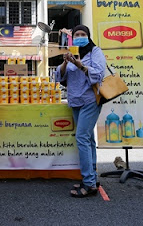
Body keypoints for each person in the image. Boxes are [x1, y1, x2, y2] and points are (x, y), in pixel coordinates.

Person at [55, 25, 106, 198]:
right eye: (77, 34)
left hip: (91, 100)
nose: (80, 37)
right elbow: (59, 77)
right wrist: (65, 62)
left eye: (83, 34)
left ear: (89, 36)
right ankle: (92, 177)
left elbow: (98, 74)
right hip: (75, 101)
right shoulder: (71, 53)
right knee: (88, 138)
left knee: (82, 138)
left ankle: (89, 183)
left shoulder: (95, 52)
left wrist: (79, 64)